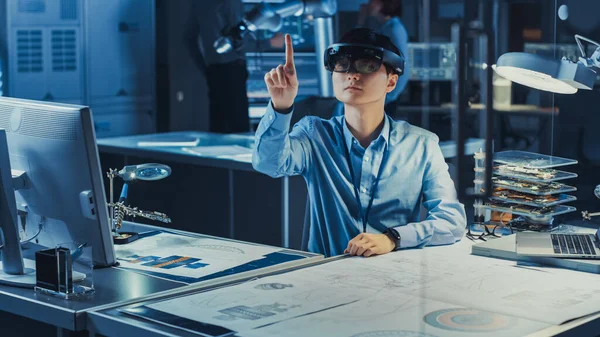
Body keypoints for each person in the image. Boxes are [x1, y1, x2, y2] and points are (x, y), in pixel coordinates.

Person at [253, 28, 466, 257]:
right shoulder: (315, 135)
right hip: (324, 278)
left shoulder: (421, 146)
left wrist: (393, 238)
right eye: (342, 64)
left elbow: (452, 221)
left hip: (395, 277)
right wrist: (281, 107)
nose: (352, 75)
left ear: (391, 83)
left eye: (367, 65)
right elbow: (268, 163)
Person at [190, 0, 250, 133]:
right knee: (239, 128)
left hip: (214, 70)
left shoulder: (199, 4)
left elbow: (188, 38)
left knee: (218, 125)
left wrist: (206, 68)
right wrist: (270, 43)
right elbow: (239, 39)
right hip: (233, 69)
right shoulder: (230, 3)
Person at [359, 0, 409, 109]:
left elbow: (402, 68)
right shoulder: (385, 28)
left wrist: (388, 96)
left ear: (379, 4)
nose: (367, 5)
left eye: (371, 2)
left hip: (386, 97)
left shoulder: (394, 30)